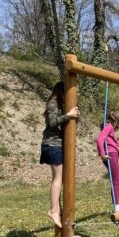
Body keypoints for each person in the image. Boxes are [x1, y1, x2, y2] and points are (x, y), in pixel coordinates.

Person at [40, 82, 80, 228]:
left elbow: (65, 125)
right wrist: (68, 115)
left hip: (57, 145)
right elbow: (52, 123)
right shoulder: (52, 103)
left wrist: (74, 116)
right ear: (61, 92)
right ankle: (53, 210)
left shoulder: (61, 106)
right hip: (52, 145)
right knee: (58, 178)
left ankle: (58, 208)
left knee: (59, 178)